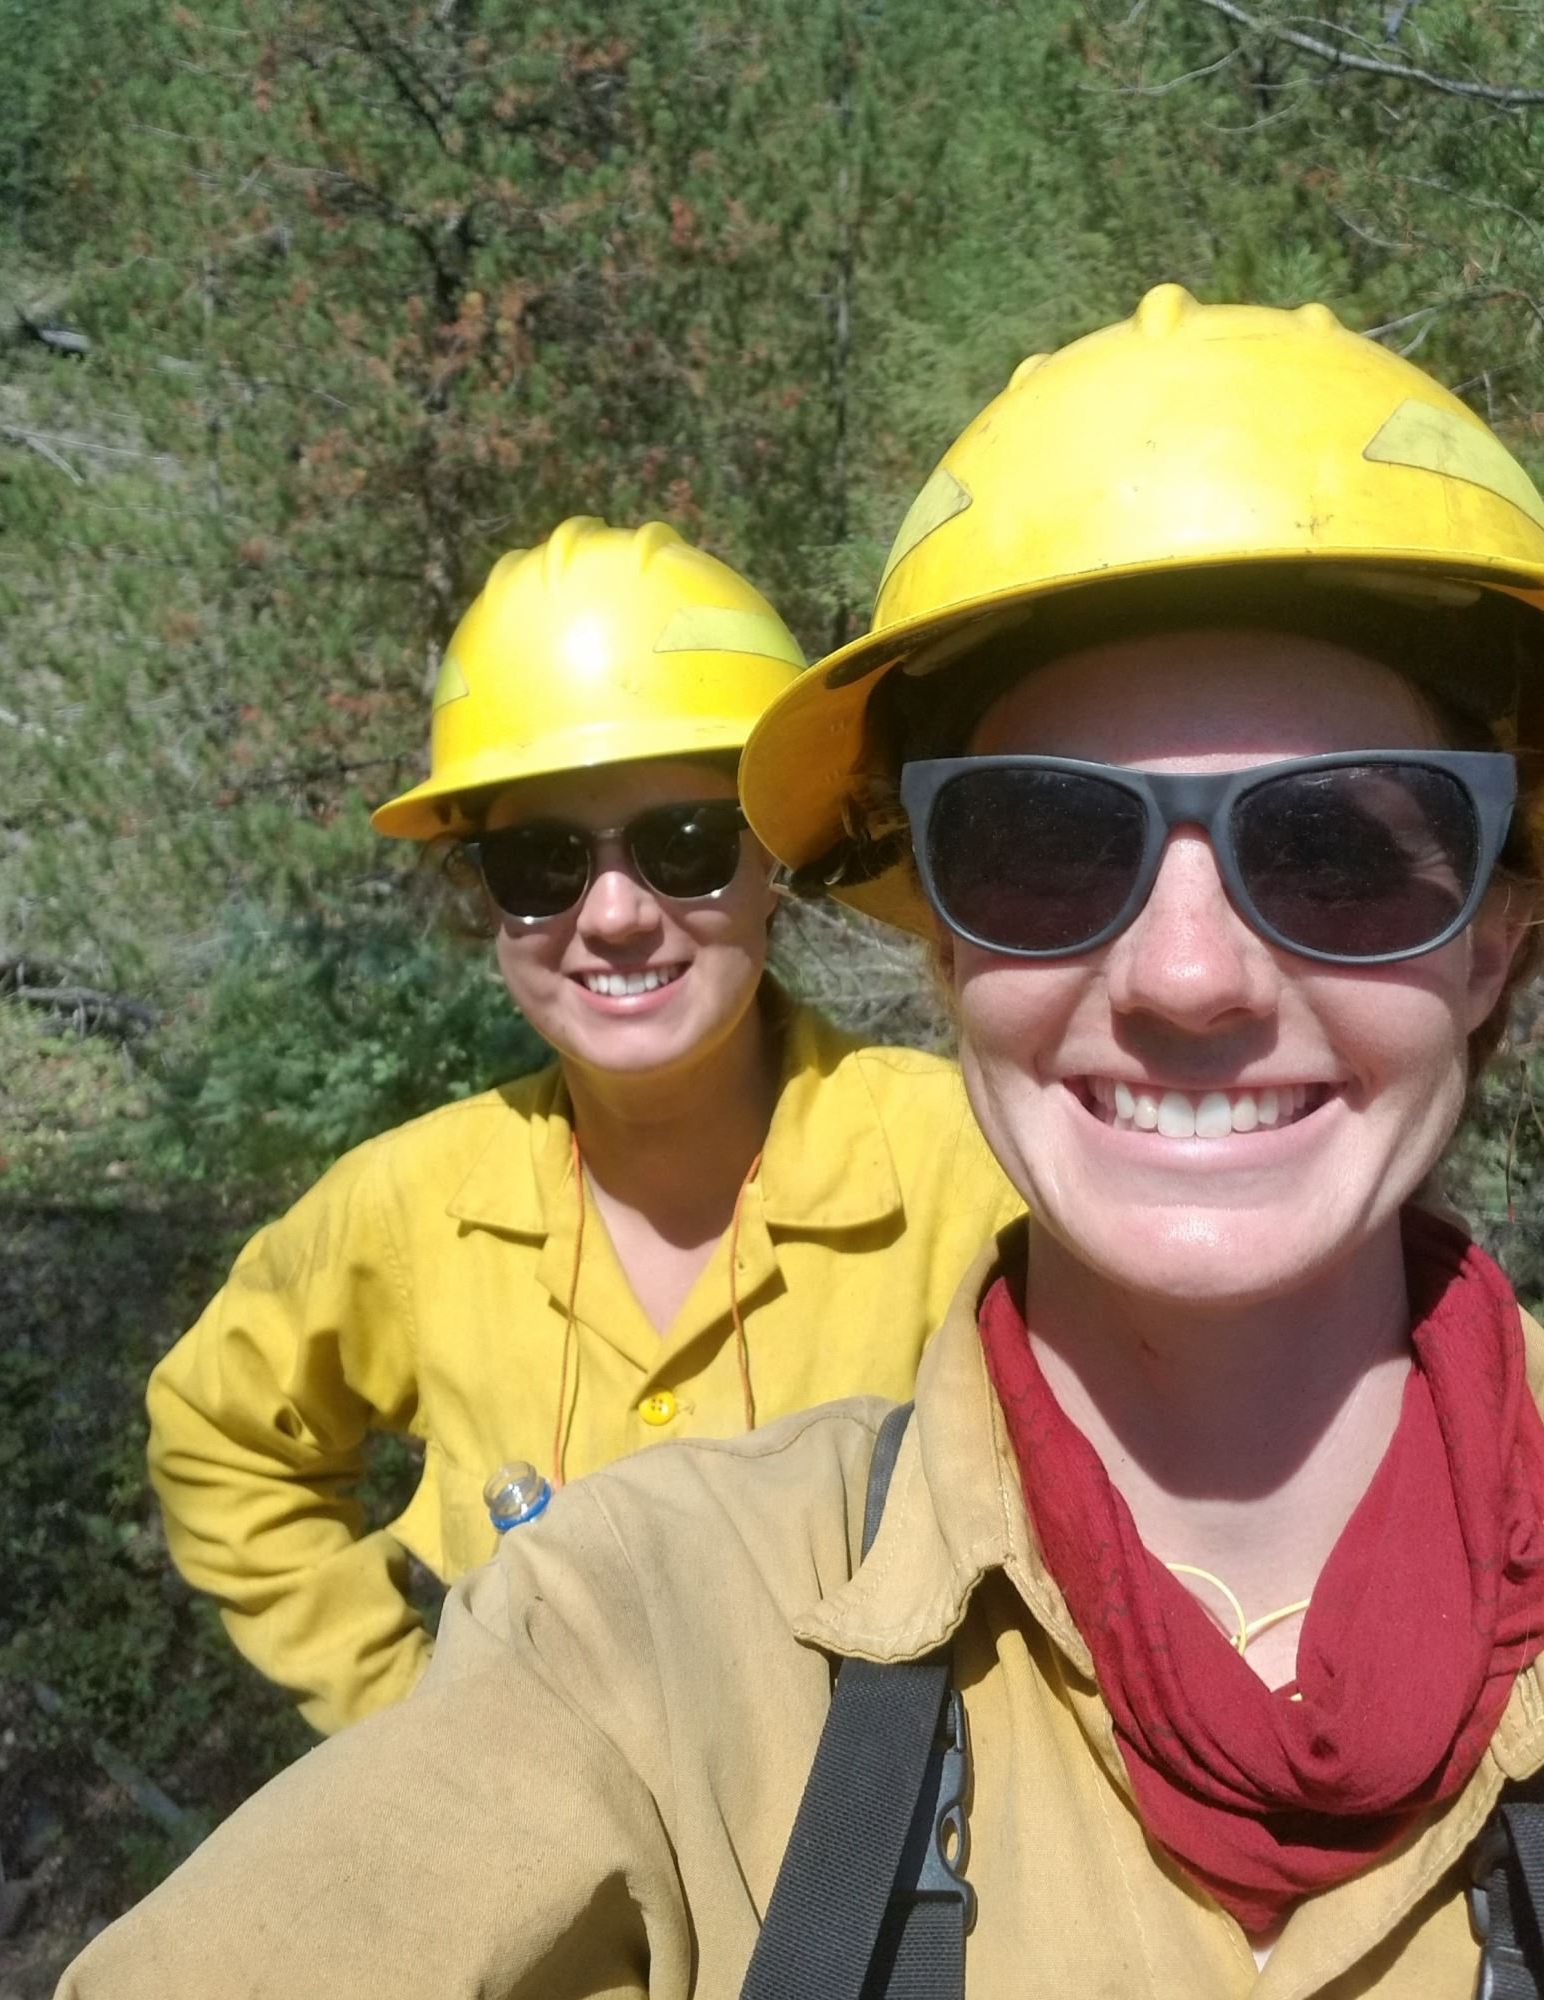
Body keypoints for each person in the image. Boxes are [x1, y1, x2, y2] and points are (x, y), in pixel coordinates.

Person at [61, 288, 1544, 1997]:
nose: (1186, 974)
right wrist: (414, 1691)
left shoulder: (928, 1147)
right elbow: (229, 1452)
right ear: (940, 937)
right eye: (1044, 849)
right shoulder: (616, 1610)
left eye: (1341, 854)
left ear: (1493, 935)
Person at [146, 514, 1024, 1734]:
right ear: (488, 899)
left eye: (687, 844)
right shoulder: (408, 1207)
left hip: (891, 1901)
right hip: (552, 1906)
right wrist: (401, 1724)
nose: (613, 913)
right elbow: (220, 1437)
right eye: (542, 862)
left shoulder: (976, 1168)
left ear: (777, 859)